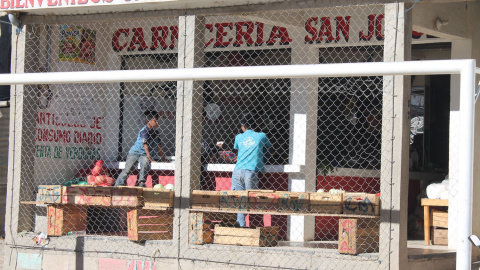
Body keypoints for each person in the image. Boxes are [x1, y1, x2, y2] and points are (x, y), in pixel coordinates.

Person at [232, 113, 271, 227]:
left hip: (237, 171)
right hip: (251, 172)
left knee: (240, 202)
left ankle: (241, 227)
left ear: (243, 126)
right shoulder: (261, 136)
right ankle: (247, 227)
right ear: (256, 125)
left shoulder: (238, 137)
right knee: (250, 201)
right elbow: (269, 148)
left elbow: (237, 150)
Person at [115, 110, 167, 187]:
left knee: (145, 164)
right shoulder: (144, 131)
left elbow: (159, 147)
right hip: (135, 152)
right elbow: (145, 146)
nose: (157, 122)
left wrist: (164, 160)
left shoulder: (156, 133)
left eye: (158, 121)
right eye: (155, 121)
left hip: (145, 155)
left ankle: (141, 183)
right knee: (128, 168)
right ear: (148, 121)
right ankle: (118, 185)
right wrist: (151, 159)